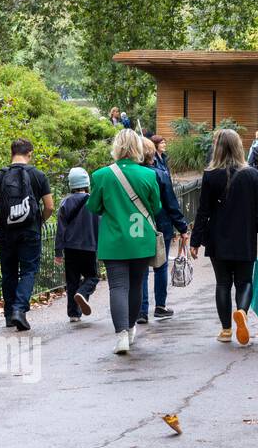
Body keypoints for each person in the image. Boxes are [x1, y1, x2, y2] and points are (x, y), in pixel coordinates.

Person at [189, 128, 258, 344]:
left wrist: (195, 241)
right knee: (245, 281)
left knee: (222, 283)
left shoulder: (210, 174)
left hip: (218, 237)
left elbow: (203, 211)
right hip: (244, 237)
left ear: (218, 148)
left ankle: (225, 330)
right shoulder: (252, 174)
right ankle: (241, 312)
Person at [88, 129, 162, 355]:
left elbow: (93, 207)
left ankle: (120, 334)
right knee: (137, 285)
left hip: (114, 240)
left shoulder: (101, 175)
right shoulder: (149, 175)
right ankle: (130, 329)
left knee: (118, 287)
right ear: (138, 148)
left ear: (116, 147)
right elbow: (156, 207)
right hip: (140, 239)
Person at [0, 139, 54, 332]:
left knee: (9, 273)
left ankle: (9, 317)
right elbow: (49, 206)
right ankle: (19, 310)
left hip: (6, 232)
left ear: (11, 153)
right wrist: (39, 221)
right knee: (29, 271)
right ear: (29, 153)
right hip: (30, 231)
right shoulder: (38, 175)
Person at [136, 137, 188, 323]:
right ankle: (160, 306)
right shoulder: (160, 174)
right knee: (161, 265)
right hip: (161, 224)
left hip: (139, 225)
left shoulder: (132, 174)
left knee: (141, 267)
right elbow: (170, 202)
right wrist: (182, 226)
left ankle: (141, 310)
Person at [54, 167, 99, 323]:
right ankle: (82, 292)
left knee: (72, 279)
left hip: (70, 248)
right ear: (86, 183)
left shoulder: (65, 202)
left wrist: (58, 252)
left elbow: (60, 229)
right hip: (90, 246)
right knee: (92, 277)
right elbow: (100, 224)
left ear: (71, 185)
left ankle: (74, 314)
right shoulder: (93, 201)